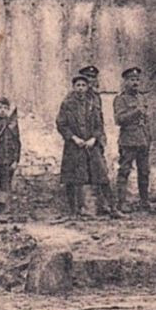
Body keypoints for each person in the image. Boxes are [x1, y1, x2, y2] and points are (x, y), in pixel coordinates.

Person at [56, 66, 120, 219]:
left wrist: (94, 139)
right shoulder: (67, 103)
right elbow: (61, 124)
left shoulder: (94, 102)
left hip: (91, 145)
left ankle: (113, 208)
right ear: (73, 87)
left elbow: (99, 124)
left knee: (101, 175)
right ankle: (74, 211)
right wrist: (73, 138)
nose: (81, 88)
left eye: (83, 85)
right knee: (73, 179)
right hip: (74, 145)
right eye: (78, 85)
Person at [112, 67, 152, 212]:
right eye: (132, 80)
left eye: (137, 80)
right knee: (125, 171)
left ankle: (144, 201)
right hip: (128, 140)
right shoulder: (120, 99)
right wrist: (136, 112)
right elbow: (119, 119)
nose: (135, 82)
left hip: (143, 139)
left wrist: (148, 137)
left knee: (144, 171)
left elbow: (146, 119)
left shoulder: (142, 97)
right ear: (125, 82)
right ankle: (121, 202)